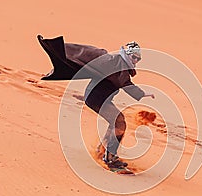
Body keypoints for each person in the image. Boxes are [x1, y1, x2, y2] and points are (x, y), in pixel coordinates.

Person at [37, 35, 154, 169]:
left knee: (116, 121)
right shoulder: (116, 64)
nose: (136, 61)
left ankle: (102, 150)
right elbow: (123, 83)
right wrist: (142, 94)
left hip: (97, 98)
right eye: (135, 57)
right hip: (96, 99)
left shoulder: (116, 63)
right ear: (128, 55)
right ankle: (110, 159)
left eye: (138, 59)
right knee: (119, 122)